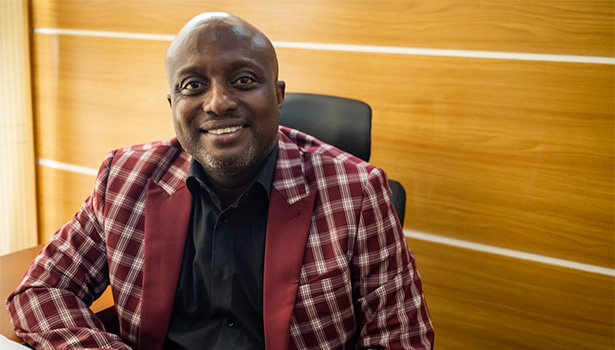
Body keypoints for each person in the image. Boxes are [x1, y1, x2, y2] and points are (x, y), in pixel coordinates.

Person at [6, 12, 434, 350]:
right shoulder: (125, 178)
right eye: (194, 85)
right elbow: (42, 290)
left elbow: (402, 338)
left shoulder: (356, 192)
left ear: (278, 96)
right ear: (173, 104)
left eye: (243, 80)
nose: (218, 103)